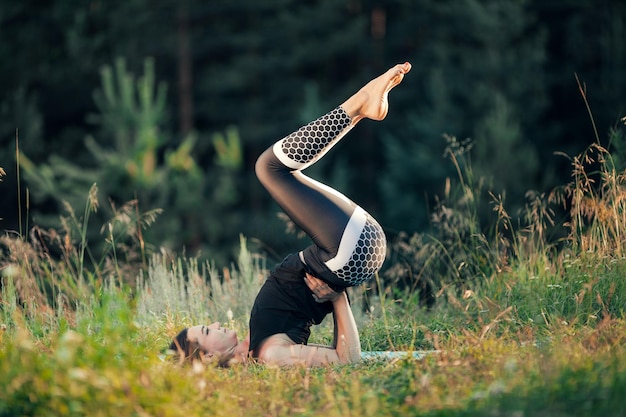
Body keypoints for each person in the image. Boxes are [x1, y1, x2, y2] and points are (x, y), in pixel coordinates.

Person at [170, 62, 412, 367]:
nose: (215, 324)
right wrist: (337, 298)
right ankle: (360, 104)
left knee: (277, 170)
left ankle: (362, 107)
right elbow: (347, 360)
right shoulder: (270, 355)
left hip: (349, 249)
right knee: (269, 168)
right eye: (207, 331)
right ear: (208, 357)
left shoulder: (256, 347)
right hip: (347, 251)